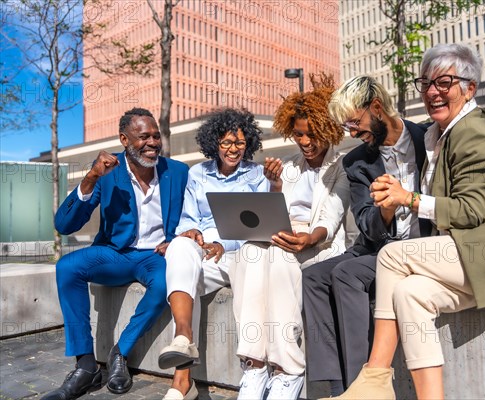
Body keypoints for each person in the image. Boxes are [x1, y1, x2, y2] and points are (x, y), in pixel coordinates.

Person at [327, 43, 485, 400]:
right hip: (471, 256)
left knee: (391, 258)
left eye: (445, 82)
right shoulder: (437, 135)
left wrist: (409, 198)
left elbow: (473, 209)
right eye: (427, 83)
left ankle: (375, 380)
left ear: (470, 89)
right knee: (408, 292)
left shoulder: (474, 128)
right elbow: (478, 187)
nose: (433, 92)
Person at [302, 75, 485, 396]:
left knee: (346, 274)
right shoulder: (357, 162)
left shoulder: (430, 140)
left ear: (376, 107)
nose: (351, 132)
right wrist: (387, 207)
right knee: (313, 277)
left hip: (425, 249)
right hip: (379, 245)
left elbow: (477, 183)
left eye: (354, 122)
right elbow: (368, 227)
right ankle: (332, 385)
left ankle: (362, 385)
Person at [43, 108, 189, 400]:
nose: (152, 143)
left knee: (165, 284)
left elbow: (195, 215)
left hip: (156, 257)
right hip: (115, 254)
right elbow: (64, 224)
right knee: (67, 267)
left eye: (155, 135)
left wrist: (177, 239)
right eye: (142, 137)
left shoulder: (178, 171)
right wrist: (90, 178)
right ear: (124, 139)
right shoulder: (107, 173)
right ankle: (85, 366)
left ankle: (119, 354)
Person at [229, 74, 351, 400]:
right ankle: (254, 365)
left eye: (313, 134)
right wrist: (275, 186)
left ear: (329, 131)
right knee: (249, 253)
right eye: (298, 134)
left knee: (280, 257)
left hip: (319, 244)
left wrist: (310, 237)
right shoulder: (289, 166)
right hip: (282, 235)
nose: (306, 141)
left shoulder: (342, 167)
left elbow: (332, 218)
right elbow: (272, 213)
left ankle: (288, 370)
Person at [157, 108, 268, 400]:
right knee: (180, 247)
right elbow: (187, 220)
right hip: (203, 252)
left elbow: (260, 227)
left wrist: (224, 245)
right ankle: (184, 338)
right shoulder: (198, 173)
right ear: (214, 143)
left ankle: (183, 381)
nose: (234, 149)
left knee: (186, 278)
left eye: (240, 143)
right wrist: (192, 234)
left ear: (249, 143)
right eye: (227, 143)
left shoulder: (257, 175)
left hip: (238, 254)